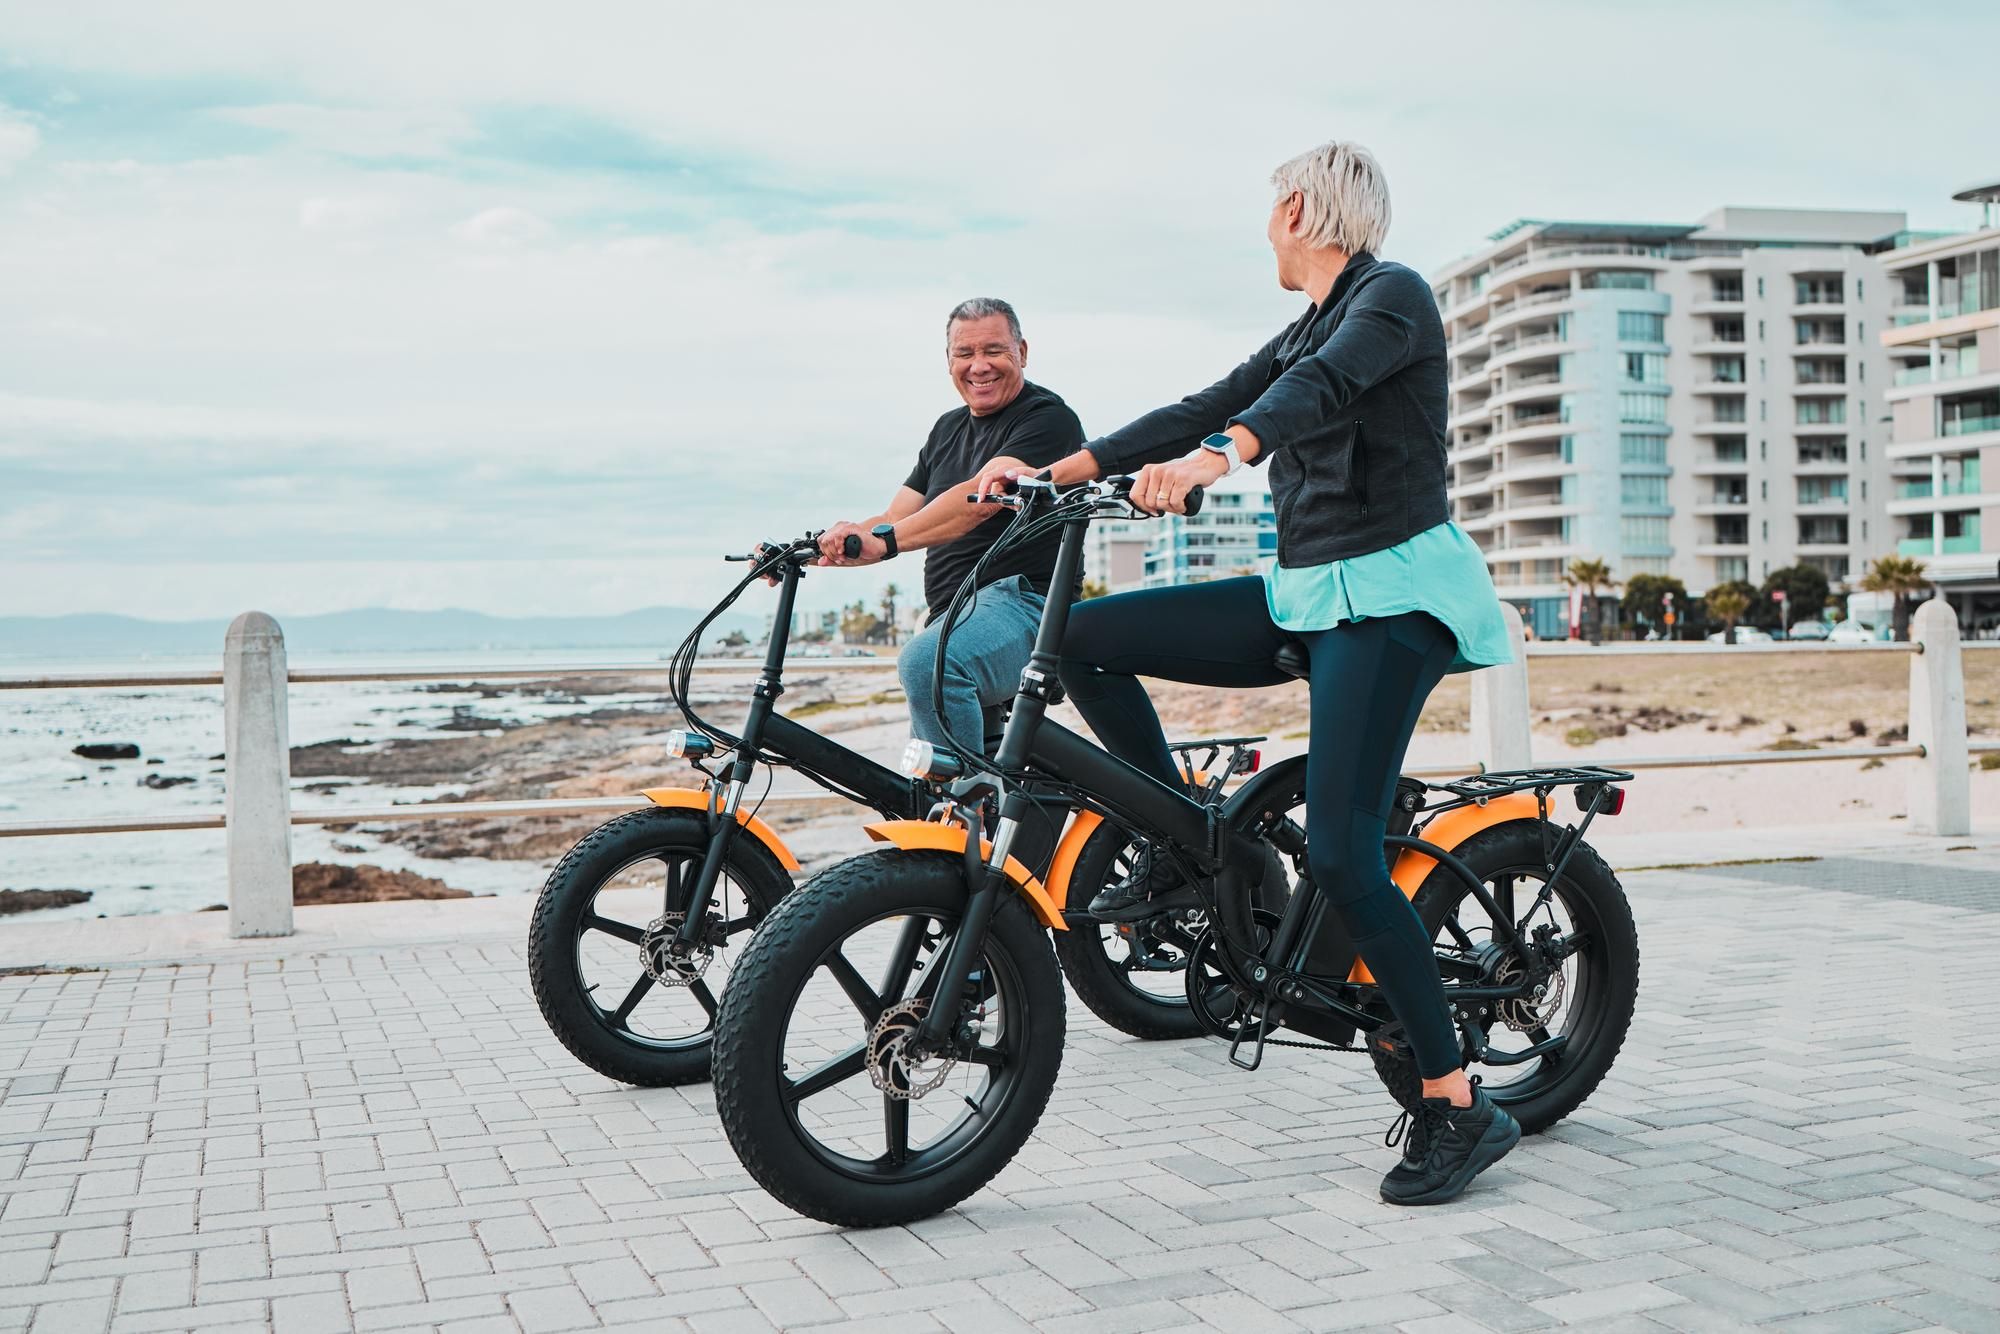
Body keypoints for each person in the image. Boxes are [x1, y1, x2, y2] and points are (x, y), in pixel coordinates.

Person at [974, 142, 1518, 1206]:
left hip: (1392, 599)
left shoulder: (1389, 298)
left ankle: (1458, 1102)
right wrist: (1054, 475)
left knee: (1347, 854)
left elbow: (1313, 393)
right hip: (1307, 590)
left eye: (1268, 208)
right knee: (1086, 638)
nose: (1260, 225)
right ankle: (1181, 835)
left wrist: (1224, 459)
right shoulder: (1305, 321)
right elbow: (1202, 402)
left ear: (1298, 208)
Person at [815, 298, 1083, 753]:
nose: (979, 366)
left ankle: (962, 814)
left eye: (994, 351)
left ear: (1022, 351)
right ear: (948, 361)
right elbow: (894, 517)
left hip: (1024, 605)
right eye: (965, 354)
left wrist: (886, 543)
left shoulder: (1048, 420)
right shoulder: (947, 430)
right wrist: (837, 541)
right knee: (937, 763)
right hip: (955, 614)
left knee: (929, 665)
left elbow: (982, 497)